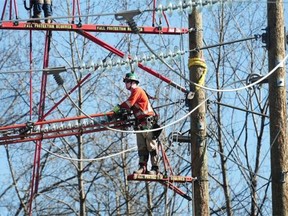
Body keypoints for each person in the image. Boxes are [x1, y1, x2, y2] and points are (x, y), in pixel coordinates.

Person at [112, 72, 160, 175]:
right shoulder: (134, 93)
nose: (125, 84)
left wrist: (118, 108)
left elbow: (129, 103)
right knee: (142, 147)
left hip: (148, 123)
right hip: (140, 124)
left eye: (127, 82)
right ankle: (143, 167)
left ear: (132, 82)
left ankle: (155, 168)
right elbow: (131, 107)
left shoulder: (137, 91)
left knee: (151, 146)